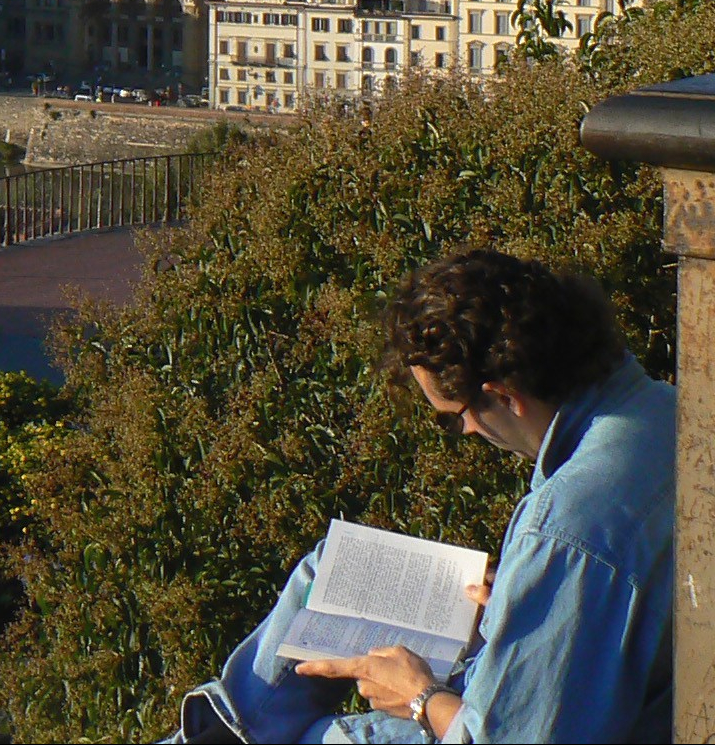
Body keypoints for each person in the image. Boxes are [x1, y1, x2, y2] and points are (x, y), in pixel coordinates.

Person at [182, 250, 674, 744]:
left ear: (504, 397)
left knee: (324, 738)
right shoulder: (662, 410)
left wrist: (419, 697)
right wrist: (523, 597)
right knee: (327, 572)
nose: (465, 432)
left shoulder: (564, 529)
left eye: (453, 416)